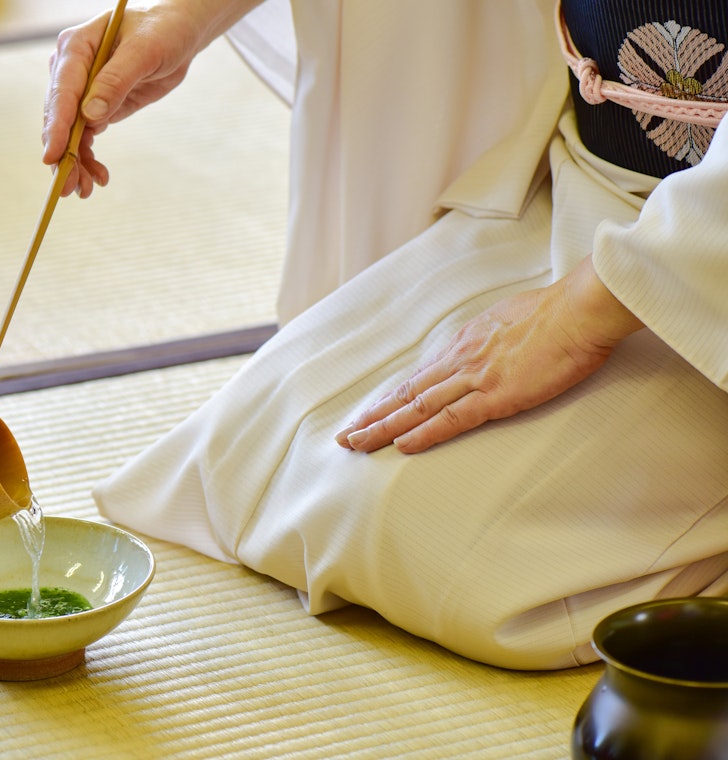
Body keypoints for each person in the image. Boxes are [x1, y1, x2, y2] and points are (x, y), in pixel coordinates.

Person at [43, 0, 728, 670]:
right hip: (580, 175)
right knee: (245, 453)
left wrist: (581, 314)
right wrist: (187, 16)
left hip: (707, 253)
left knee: (424, 539)